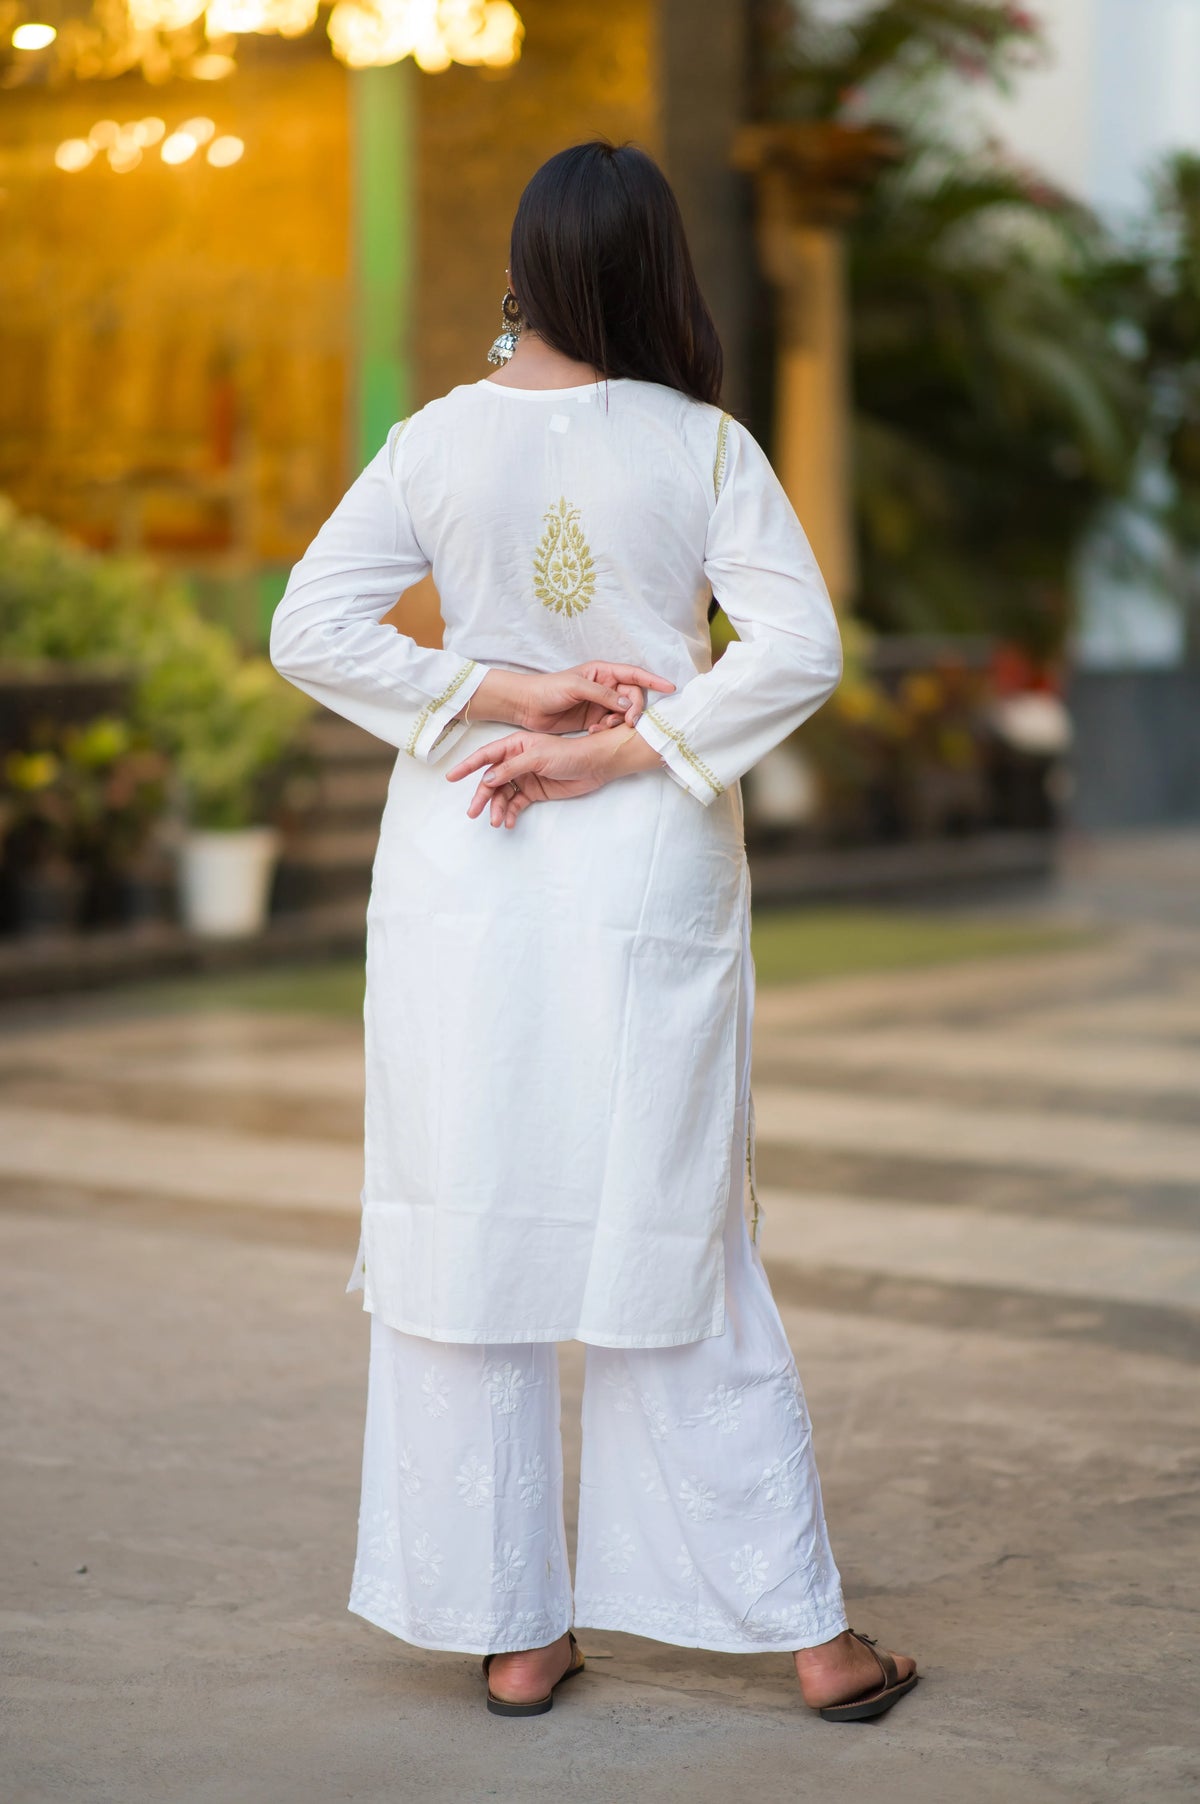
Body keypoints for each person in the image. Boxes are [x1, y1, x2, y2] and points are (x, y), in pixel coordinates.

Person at [270, 139, 918, 1725]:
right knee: (670, 1230)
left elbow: (309, 629)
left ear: (526, 268)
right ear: (655, 272)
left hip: (465, 857)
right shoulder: (703, 448)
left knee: (466, 1228)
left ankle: (514, 1633)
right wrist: (621, 743)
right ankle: (813, 1643)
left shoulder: (432, 443)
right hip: (641, 867)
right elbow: (802, 647)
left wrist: (495, 689)